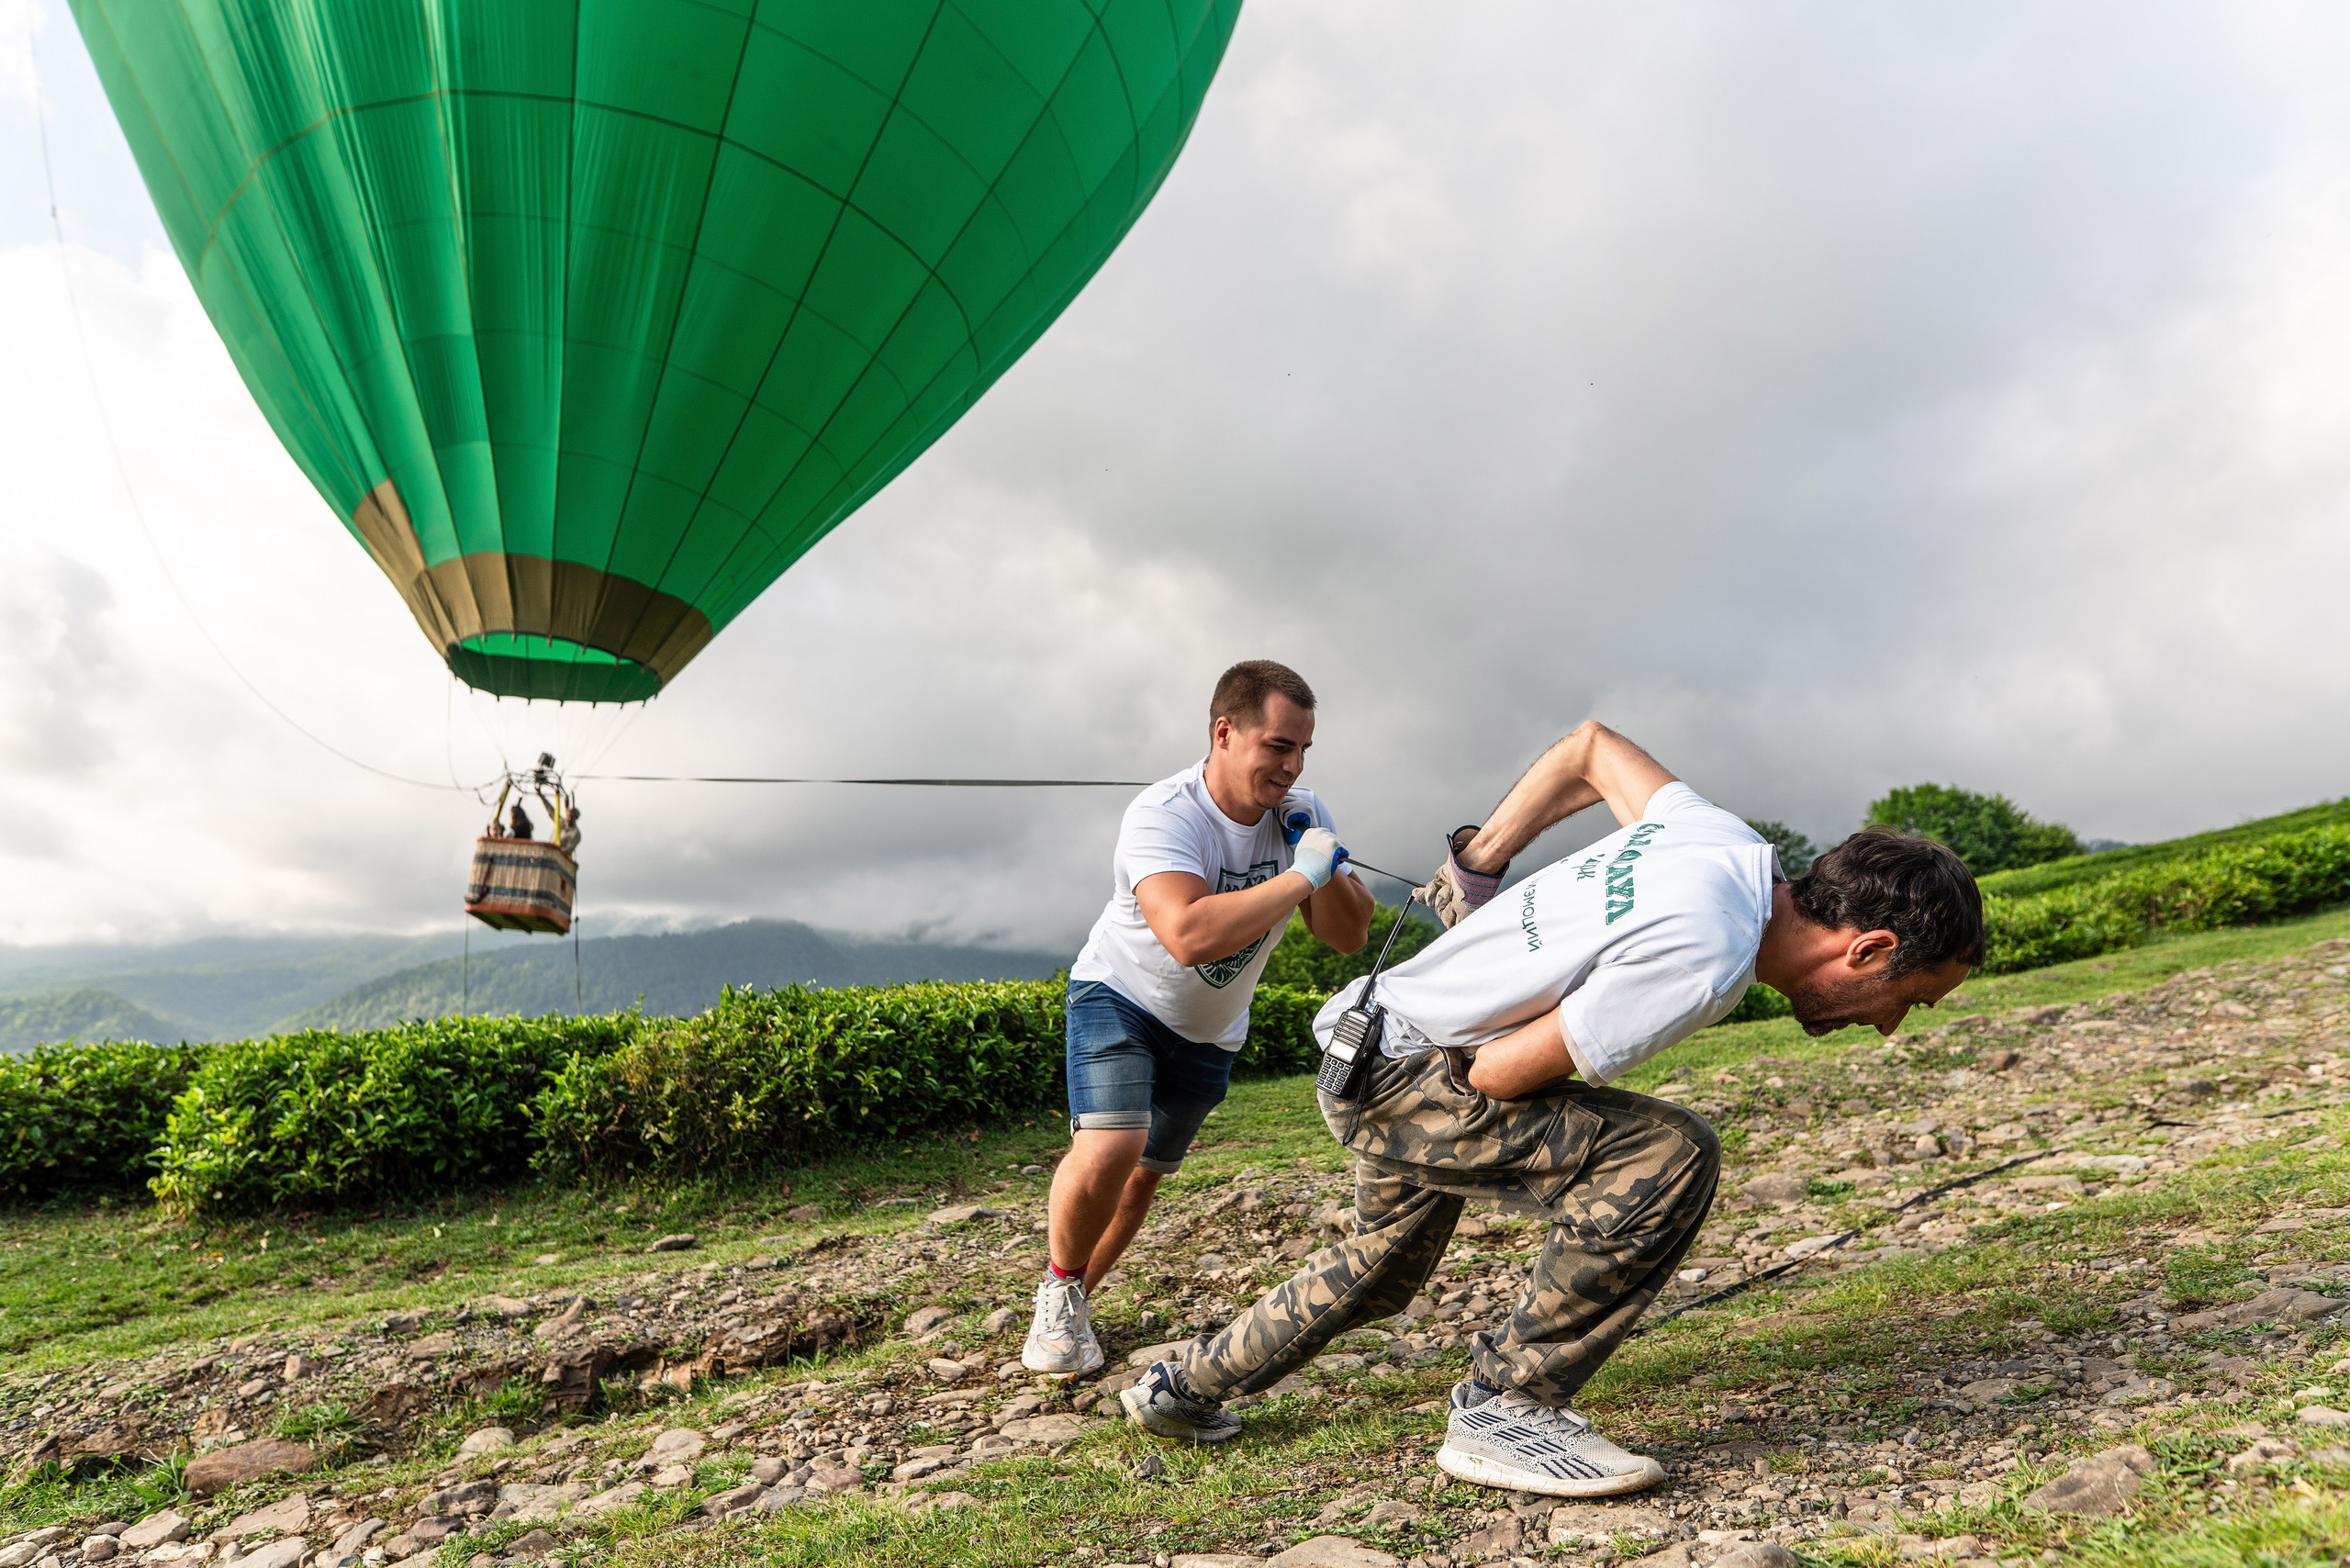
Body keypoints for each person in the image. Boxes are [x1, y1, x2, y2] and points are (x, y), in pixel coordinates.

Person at [1119, 721, 1984, 1498]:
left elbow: (1590, 748)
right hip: (1404, 1075)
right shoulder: (1707, 954)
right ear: (1869, 948)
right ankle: (1507, 1408)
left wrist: (1483, 858)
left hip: (1367, 1033)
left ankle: (1180, 1390)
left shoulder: (1719, 840)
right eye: (1910, 997)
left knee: (1382, 1266)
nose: (1888, 1025)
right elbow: (1495, 1077)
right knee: (1668, 1155)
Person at [1024, 660, 1376, 1375]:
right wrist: (1299, 876)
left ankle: (1076, 1305)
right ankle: (1057, 1293)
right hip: (1121, 995)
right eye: (1278, 746)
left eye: (1303, 749)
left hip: (1211, 1029)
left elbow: (1346, 936)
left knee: (1145, 1176)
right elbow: (1187, 934)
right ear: (1225, 732)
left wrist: (1327, 867)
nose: (1293, 765)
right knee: (1111, 1147)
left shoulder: (1302, 812)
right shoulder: (1165, 814)